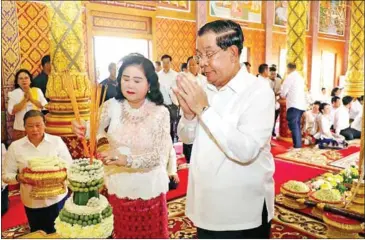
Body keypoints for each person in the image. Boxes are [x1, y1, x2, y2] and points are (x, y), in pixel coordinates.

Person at [174, 20, 275, 239]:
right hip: (205, 202)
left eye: (209, 54)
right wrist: (190, 116)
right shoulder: (203, 87)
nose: (202, 64)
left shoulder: (258, 92)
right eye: (199, 55)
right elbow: (186, 137)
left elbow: (246, 151)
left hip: (240, 210)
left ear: (232, 52)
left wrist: (203, 109)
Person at [72, 55, 171, 239]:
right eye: (125, 79)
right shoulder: (112, 106)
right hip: (119, 184)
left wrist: (128, 160)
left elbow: (159, 156)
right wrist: (80, 128)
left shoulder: (160, 112)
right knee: (122, 232)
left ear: (149, 84)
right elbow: (93, 128)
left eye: (137, 80)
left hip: (149, 188)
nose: (130, 85)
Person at [2, 110, 72, 233]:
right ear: (24, 127)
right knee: (38, 233)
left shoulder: (56, 142)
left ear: (45, 124)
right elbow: (6, 175)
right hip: (32, 202)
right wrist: (19, 178)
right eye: (30, 126)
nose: (35, 130)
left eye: (38, 125)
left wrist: (58, 174)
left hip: (57, 199)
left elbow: (69, 166)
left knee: (62, 231)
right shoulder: (15, 147)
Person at [7, 69, 48, 141]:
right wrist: (24, 100)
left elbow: (44, 107)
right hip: (20, 129)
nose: (24, 80)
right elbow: (11, 111)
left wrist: (32, 99)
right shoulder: (13, 93)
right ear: (17, 82)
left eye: (26, 78)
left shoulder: (37, 91)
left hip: (37, 129)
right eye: (21, 78)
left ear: (30, 80)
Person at [182, 56, 208, 163]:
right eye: (190, 65)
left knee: (200, 135)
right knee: (188, 134)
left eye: (195, 64)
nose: (193, 66)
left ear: (199, 66)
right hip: (188, 111)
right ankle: (188, 159)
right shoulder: (183, 79)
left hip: (201, 111)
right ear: (187, 67)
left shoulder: (204, 79)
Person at [280, 63, 307, 148]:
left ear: (288, 69)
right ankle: (298, 144)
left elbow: (283, 92)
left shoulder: (290, 77)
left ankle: (297, 146)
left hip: (294, 105)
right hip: (301, 105)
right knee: (296, 125)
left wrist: (282, 95)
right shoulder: (300, 77)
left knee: (293, 125)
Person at [269, 66, 282, 136]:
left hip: (277, 102)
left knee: (275, 117)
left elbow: (281, 90)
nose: (273, 75)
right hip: (269, 103)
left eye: (274, 74)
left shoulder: (279, 80)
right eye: (272, 74)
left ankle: (273, 131)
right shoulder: (266, 81)